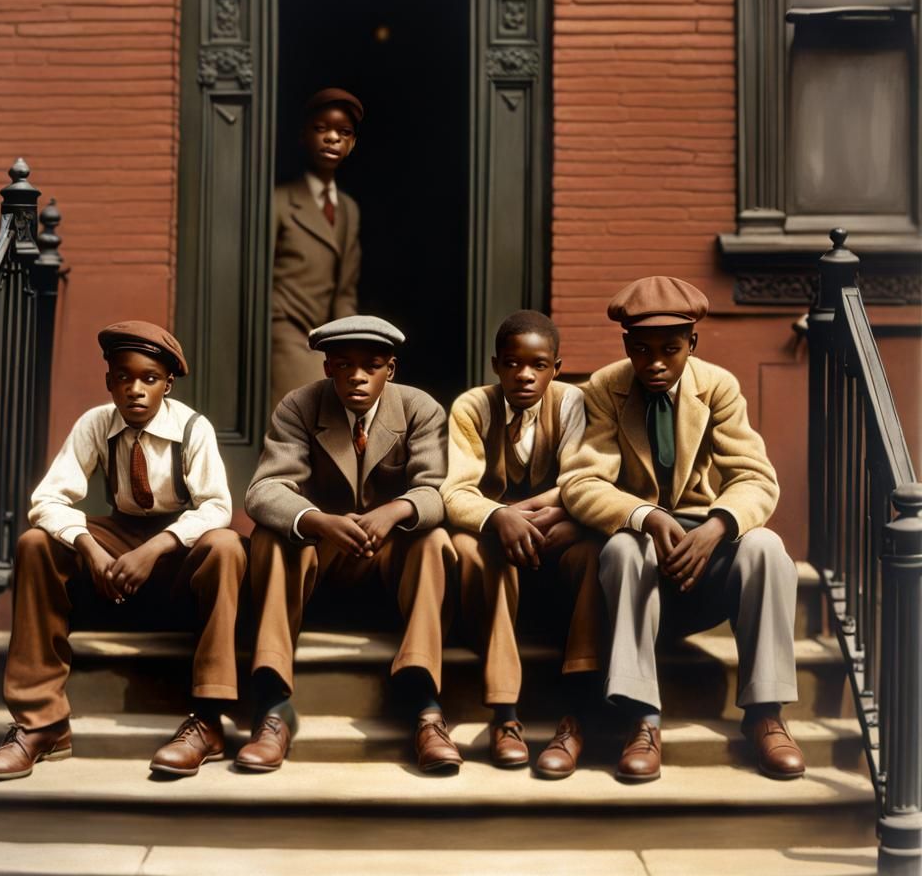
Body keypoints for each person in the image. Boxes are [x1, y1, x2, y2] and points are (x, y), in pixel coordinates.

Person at [559, 277, 805, 782]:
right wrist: (646, 517)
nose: (654, 363)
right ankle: (641, 719)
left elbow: (755, 477)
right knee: (624, 551)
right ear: (626, 344)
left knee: (766, 547)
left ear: (692, 344)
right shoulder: (605, 387)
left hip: (704, 545)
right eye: (642, 350)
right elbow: (581, 481)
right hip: (640, 552)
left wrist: (717, 525)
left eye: (670, 350)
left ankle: (766, 714)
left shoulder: (717, 387)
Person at [0, 321, 244, 781]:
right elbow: (47, 499)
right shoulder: (97, 423)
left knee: (226, 545)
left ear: (168, 384)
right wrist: (89, 547)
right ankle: (42, 723)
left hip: (176, 552)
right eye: (124, 378)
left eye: (149, 379)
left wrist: (158, 547)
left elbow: (218, 506)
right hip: (118, 541)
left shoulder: (192, 429)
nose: (135, 390)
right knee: (37, 542)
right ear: (110, 382)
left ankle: (208, 720)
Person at [240, 315, 461, 774]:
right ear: (327, 369)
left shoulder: (420, 408)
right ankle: (273, 707)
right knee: (272, 537)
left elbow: (438, 490)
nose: (357, 376)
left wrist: (394, 510)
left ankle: (424, 706)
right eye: (343, 365)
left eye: (371, 365)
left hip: (388, 564)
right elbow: (264, 490)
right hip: (319, 561)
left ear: (391, 369)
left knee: (434, 539)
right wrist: (318, 521)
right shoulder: (300, 406)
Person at [442, 310, 601, 778]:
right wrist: (498, 516)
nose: (525, 375)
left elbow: (583, 479)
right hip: (494, 538)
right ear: (496, 364)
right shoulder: (472, 407)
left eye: (538, 364)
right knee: (472, 550)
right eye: (512, 364)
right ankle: (504, 713)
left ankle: (578, 704)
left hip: (554, 530)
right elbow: (455, 490)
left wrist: (534, 513)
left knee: (595, 553)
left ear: (556, 366)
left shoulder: (574, 403)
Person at [271, 87, 363, 408]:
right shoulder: (279, 202)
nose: (332, 138)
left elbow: (345, 288)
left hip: (330, 338)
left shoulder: (349, 210)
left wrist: (347, 343)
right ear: (303, 137)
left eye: (343, 132)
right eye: (321, 129)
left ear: (352, 144)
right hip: (285, 333)